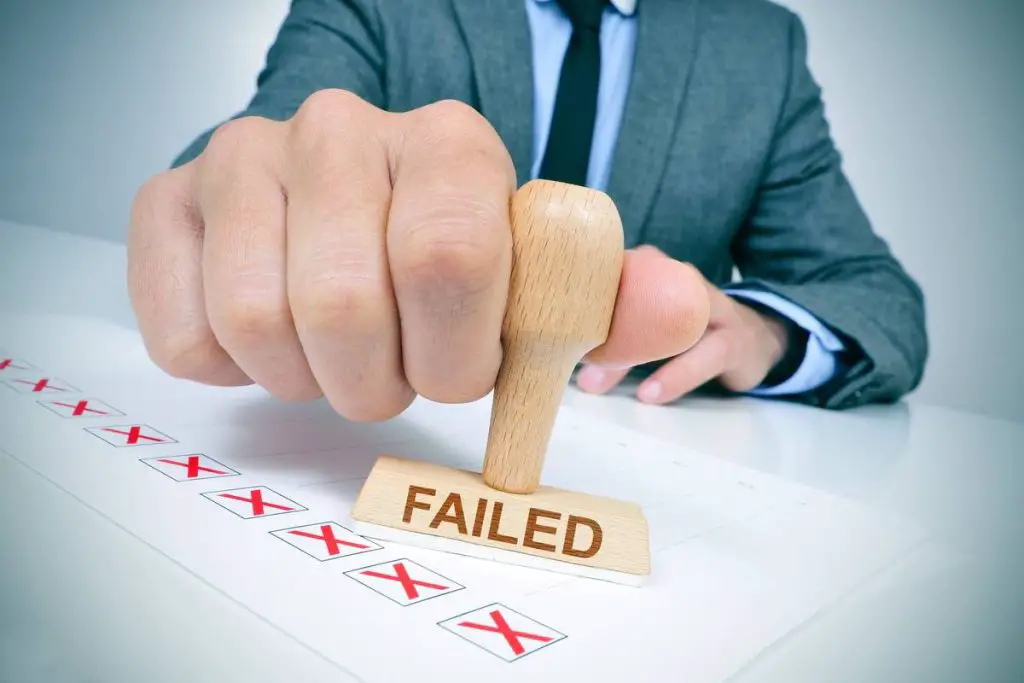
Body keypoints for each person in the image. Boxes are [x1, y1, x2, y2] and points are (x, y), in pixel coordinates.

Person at [126, 0, 928, 421]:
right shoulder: (380, 4)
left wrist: (762, 331)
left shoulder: (762, 48)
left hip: (637, 438)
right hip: (383, 434)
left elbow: (880, 302)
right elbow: (266, 153)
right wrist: (243, 203)